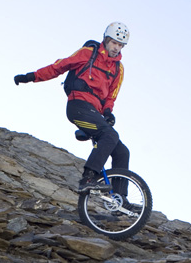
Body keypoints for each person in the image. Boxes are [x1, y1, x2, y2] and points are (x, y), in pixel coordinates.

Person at [14, 22, 130, 193]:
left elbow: (112, 95)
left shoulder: (118, 69)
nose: (116, 48)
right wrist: (31, 77)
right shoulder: (89, 53)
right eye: (114, 42)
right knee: (110, 135)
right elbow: (60, 66)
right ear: (106, 39)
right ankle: (88, 177)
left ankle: (120, 201)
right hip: (78, 106)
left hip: (95, 113)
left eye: (120, 45)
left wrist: (107, 111)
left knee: (122, 152)